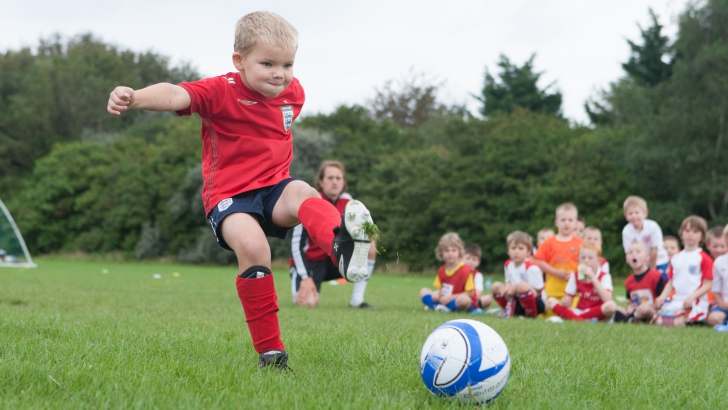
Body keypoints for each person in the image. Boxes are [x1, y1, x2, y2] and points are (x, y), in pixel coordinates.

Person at [106, 11, 378, 369]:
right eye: (267, 63)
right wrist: (134, 97)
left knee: (305, 193)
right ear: (240, 61)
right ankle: (271, 353)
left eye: (287, 64)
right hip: (230, 196)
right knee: (253, 247)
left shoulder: (293, 94)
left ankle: (341, 246)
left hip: (274, 187)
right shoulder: (220, 90)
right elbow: (175, 94)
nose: (279, 73)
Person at [291, 161, 377, 309]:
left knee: (370, 245)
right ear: (321, 182)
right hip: (311, 262)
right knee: (307, 303)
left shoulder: (349, 203)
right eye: (330, 178)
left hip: (336, 258)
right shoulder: (310, 201)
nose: (334, 182)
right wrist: (305, 278)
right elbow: (296, 245)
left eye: (338, 178)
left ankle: (357, 300)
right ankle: (302, 282)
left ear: (344, 182)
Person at [654, 216, 713, 327]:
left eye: (695, 231)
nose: (690, 234)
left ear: (702, 236)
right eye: (687, 230)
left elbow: (709, 284)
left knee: (676, 323)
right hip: (676, 300)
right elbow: (671, 282)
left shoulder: (704, 258)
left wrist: (692, 296)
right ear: (681, 234)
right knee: (659, 321)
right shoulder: (676, 258)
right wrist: (662, 297)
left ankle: (698, 320)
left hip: (695, 302)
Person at [546, 243, 617, 321]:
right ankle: (583, 320)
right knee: (550, 301)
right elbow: (569, 300)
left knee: (611, 306)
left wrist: (593, 277)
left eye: (590, 258)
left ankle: (576, 319)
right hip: (580, 311)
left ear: (599, 261)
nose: (586, 261)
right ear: (578, 260)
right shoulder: (575, 275)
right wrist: (565, 301)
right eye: (583, 258)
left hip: (597, 311)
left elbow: (607, 299)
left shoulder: (604, 276)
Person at [485, 231, 544, 318]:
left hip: (534, 302)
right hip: (515, 298)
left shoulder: (531, 268)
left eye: (520, 248)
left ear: (528, 252)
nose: (516, 251)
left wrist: (516, 288)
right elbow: (509, 280)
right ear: (508, 251)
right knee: (496, 286)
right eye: (513, 248)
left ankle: (531, 315)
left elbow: (539, 289)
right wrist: (508, 286)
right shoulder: (508, 264)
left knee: (522, 286)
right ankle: (509, 310)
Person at [534, 203, 583, 304]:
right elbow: (540, 262)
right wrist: (555, 272)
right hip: (552, 290)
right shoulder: (548, 242)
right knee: (551, 315)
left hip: (575, 292)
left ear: (576, 223)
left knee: (572, 314)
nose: (566, 223)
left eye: (570, 220)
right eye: (563, 220)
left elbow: (586, 265)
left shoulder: (581, 244)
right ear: (556, 222)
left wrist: (576, 274)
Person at [420, 233, 475, 313]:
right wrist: (437, 294)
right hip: (443, 299)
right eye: (447, 250)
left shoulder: (466, 270)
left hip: (456, 301)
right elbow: (441, 289)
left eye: (454, 250)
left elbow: (470, 293)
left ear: (459, 252)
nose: (450, 253)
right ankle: (440, 307)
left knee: (464, 301)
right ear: (441, 252)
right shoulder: (441, 270)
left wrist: (450, 298)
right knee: (423, 291)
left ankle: (438, 307)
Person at [614, 243, 665, 323]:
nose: (634, 254)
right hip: (636, 311)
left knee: (644, 309)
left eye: (638, 252)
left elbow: (662, 299)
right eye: (630, 252)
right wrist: (630, 307)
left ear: (647, 256)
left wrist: (650, 308)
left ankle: (632, 319)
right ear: (627, 259)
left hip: (653, 311)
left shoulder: (655, 276)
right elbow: (630, 301)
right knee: (614, 307)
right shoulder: (628, 281)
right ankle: (633, 318)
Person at [622, 196, 669, 281]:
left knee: (661, 285)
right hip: (642, 265)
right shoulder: (626, 231)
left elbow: (655, 250)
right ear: (626, 216)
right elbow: (630, 253)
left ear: (645, 213)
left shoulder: (653, 227)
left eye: (637, 212)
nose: (634, 216)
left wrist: (652, 271)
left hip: (659, 261)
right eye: (630, 213)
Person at [707, 225, 728, 327]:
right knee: (714, 318)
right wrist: (722, 303)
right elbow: (715, 290)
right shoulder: (719, 262)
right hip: (724, 304)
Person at [463, 243, 485, 314]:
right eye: (468, 258)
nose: (470, 261)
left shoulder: (477, 275)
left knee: (487, 299)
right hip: (456, 298)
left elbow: (478, 293)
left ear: (478, 262)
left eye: (474, 259)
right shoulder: (458, 272)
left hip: (471, 299)